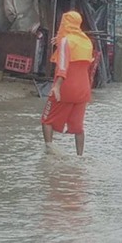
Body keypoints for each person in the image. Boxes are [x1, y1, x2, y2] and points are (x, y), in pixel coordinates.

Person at [41, 11, 95, 156]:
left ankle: (49, 152)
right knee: (78, 127)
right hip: (83, 89)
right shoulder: (86, 41)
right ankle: (80, 157)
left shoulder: (66, 41)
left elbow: (63, 65)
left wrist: (57, 86)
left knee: (46, 119)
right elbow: (88, 66)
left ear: (65, 23)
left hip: (66, 86)